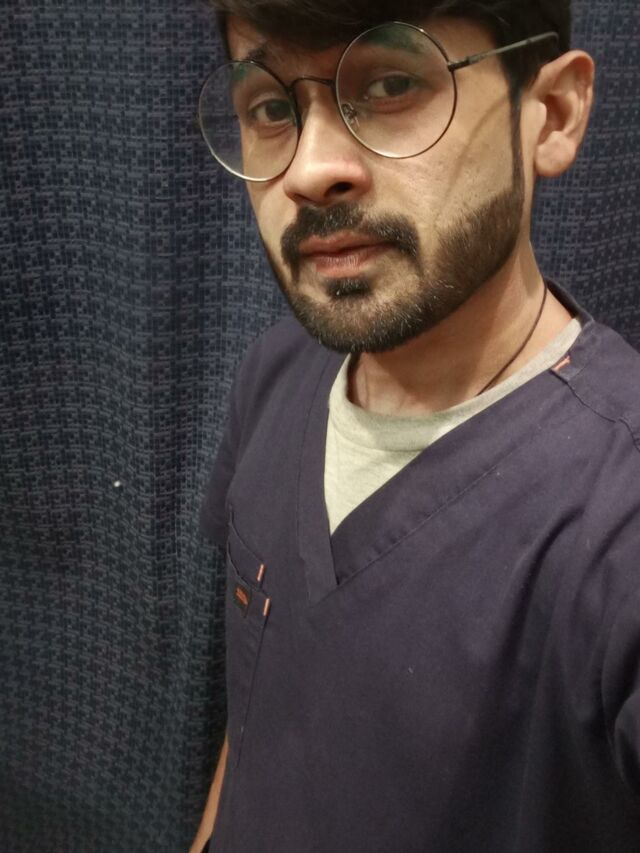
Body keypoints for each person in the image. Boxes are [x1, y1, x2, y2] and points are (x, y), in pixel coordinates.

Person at [191, 1, 640, 850]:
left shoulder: (615, 522)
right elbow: (261, 702)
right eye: (272, 107)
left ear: (552, 114)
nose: (309, 171)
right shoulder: (275, 376)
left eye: (392, 85)